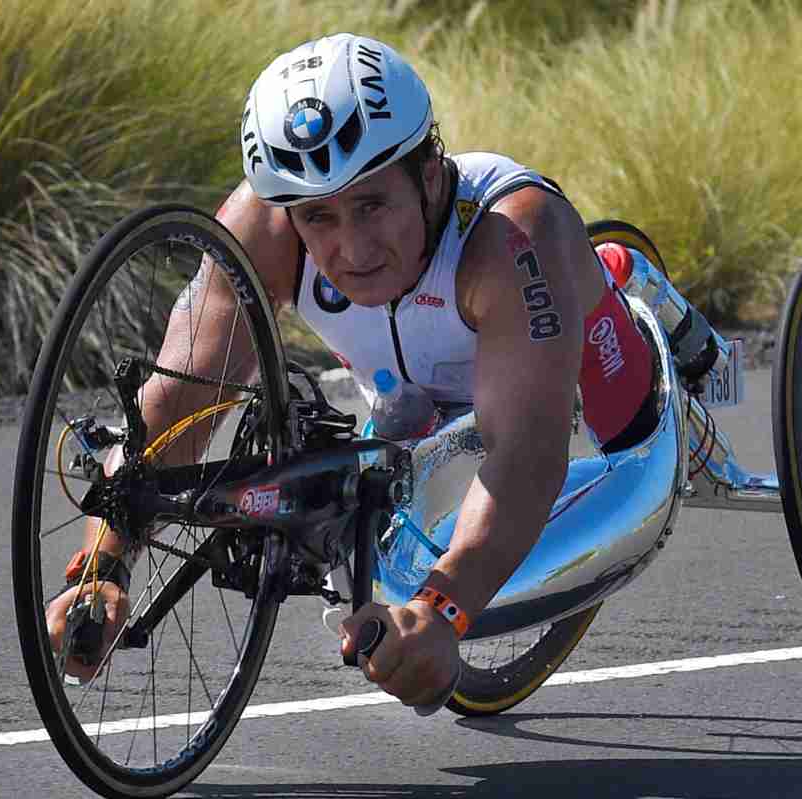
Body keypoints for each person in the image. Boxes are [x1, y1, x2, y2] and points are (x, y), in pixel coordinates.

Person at [46, 33, 660, 712]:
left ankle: (633, 292)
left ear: (429, 175)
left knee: (629, 427)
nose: (351, 248)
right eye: (320, 217)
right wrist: (105, 564)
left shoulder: (507, 240)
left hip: (569, 380)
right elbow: (178, 399)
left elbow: (525, 454)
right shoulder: (264, 228)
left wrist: (444, 609)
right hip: (415, 405)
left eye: (372, 205)